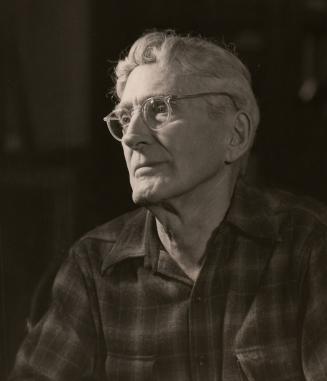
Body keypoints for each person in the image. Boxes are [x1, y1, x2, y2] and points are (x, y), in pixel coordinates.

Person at [10, 30, 327, 381]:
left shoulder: (310, 246)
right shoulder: (92, 267)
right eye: (125, 118)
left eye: (159, 109)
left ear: (235, 136)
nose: (131, 136)